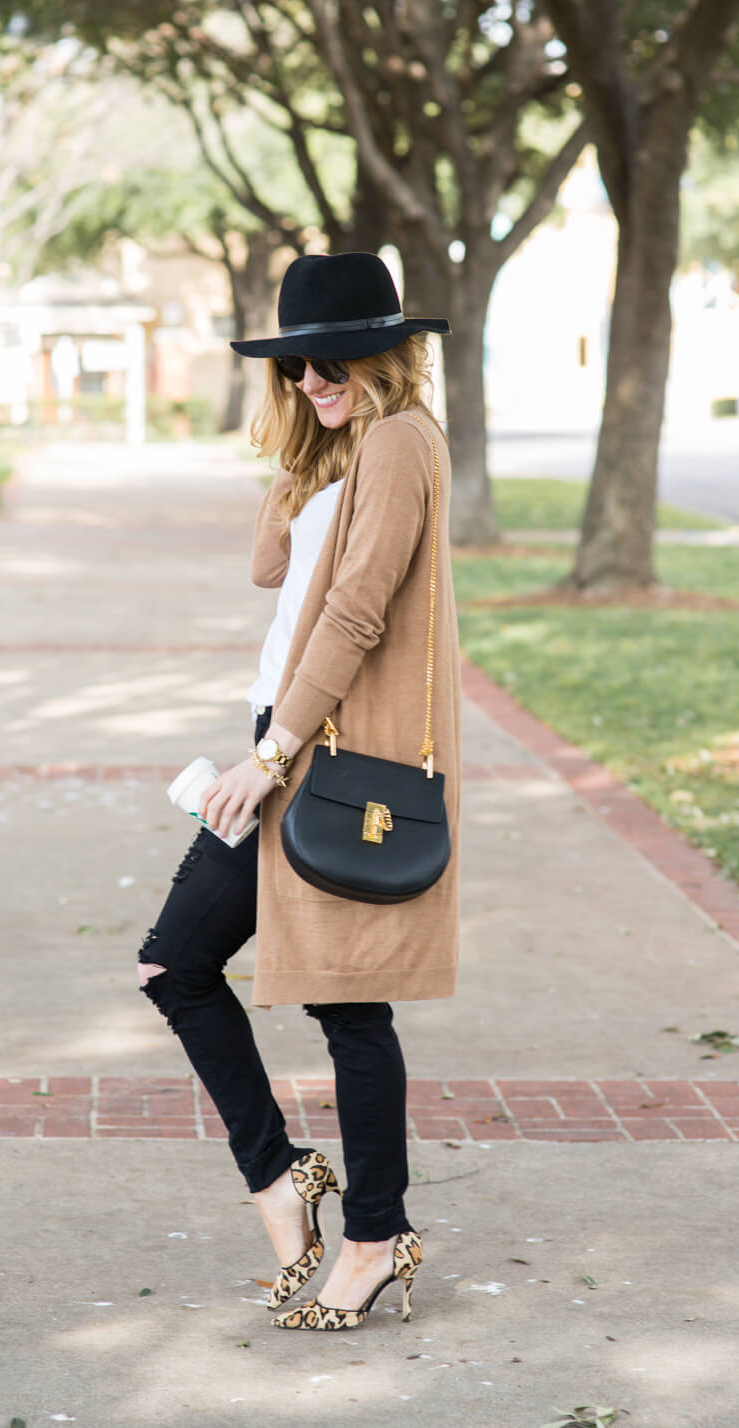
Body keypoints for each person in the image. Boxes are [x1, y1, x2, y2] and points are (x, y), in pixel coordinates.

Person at [137, 251, 461, 1331]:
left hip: (315, 753)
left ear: (385, 351)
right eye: (294, 367)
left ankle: (371, 1235)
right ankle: (290, 1183)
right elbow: (272, 573)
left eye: (330, 362)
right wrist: (302, 452)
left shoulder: (406, 444)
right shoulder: (352, 446)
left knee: (333, 998)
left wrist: (268, 760)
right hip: (281, 737)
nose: (313, 380)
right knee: (179, 966)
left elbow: (358, 615)